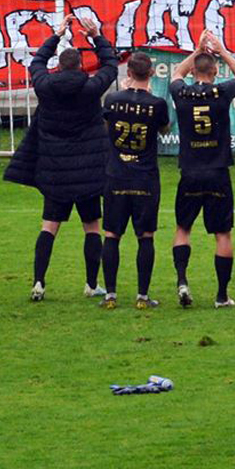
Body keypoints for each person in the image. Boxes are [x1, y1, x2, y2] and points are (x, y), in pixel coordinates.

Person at [8, 15, 117, 302]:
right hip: (88, 172)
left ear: (58, 66)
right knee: (92, 226)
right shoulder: (91, 88)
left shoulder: (45, 86)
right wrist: (96, 36)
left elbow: (35, 64)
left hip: (55, 170)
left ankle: (39, 283)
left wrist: (56, 36)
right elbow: (110, 66)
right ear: (81, 66)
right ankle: (92, 284)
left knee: (49, 226)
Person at [168, 31, 235, 309]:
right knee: (222, 234)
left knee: (182, 228)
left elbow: (176, 74)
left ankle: (182, 281)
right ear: (215, 71)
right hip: (217, 171)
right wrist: (223, 50)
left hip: (189, 171)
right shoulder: (222, 91)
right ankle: (221, 295)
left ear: (194, 70)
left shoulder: (182, 92)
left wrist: (195, 51)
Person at [97, 51, 169, 310]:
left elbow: (107, 127)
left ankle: (111, 295)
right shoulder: (158, 104)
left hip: (116, 175)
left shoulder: (113, 99)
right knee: (145, 236)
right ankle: (141, 296)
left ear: (128, 73)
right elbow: (164, 129)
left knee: (112, 234)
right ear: (150, 73)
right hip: (145, 176)